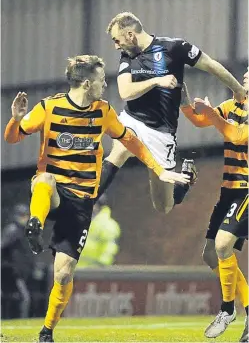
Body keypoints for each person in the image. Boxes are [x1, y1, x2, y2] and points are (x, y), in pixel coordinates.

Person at [4, 54, 189, 342]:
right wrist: (14, 121)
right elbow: (13, 138)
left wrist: (159, 170)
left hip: (81, 203)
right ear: (88, 83)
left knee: (63, 275)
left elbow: (130, 141)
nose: (106, 85)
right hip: (52, 193)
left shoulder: (103, 112)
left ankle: (47, 331)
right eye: (103, 80)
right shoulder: (49, 108)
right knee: (45, 179)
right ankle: (35, 224)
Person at [95, 12, 246, 215]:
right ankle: (84, 203)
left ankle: (183, 185)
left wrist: (238, 89)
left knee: (163, 206)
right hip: (133, 120)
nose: (116, 46)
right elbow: (125, 92)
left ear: (130, 35)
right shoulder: (127, 56)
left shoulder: (175, 47)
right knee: (119, 152)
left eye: (117, 40)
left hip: (161, 133)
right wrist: (156, 81)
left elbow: (211, 65)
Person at [180, 71, 248, 342]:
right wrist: (184, 101)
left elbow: (237, 135)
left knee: (222, 246)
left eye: (247, 77)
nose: (243, 78)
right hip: (229, 191)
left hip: (247, 191)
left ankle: (228, 309)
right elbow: (199, 121)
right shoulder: (232, 106)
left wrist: (213, 114)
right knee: (210, 254)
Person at [1, 204, 33, 319]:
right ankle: (20, 321)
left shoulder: (20, 230)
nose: (26, 218)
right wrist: (8, 266)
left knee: (19, 298)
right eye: (23, 215)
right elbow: (3, 247)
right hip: (11, 272)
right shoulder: (13, 230)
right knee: (24, 298)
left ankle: (15, 320)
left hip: (17, 271)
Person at [77, 195, 121, 268]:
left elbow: (109, 250)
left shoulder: (108, 226)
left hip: (95, 272)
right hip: (75, 271)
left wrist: (100, 268)